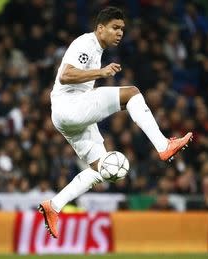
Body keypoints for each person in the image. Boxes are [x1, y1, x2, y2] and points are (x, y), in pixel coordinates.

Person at [38, 6, 192, 238]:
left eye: (122, 29)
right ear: (101, 28)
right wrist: (100, 73)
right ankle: (163, 146)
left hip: (68, 117)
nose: (120, 33)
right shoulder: (86, 44)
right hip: (70, 106)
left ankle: (54, 206)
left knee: (99, 169)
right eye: (115, 28)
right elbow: (66, 75)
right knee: (131, 93)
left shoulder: (97, 48)